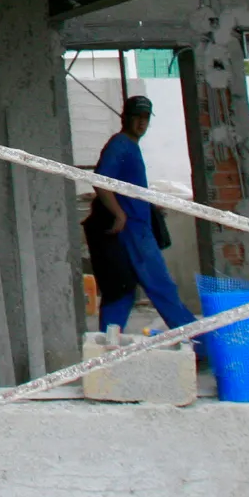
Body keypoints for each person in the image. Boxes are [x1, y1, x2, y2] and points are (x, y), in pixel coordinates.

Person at [88, 95, 196, 332]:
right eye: (137, 117)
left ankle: (109, 344)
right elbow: (100, 181)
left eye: (145, 118)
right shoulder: (120, 145)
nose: (141, 123)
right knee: (161, 288)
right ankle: (199, 344)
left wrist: (148, 206)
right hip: (132, 232)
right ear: (125, 117)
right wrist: (120, 214)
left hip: (136, 228)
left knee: (121, 290)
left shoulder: (129, 146)